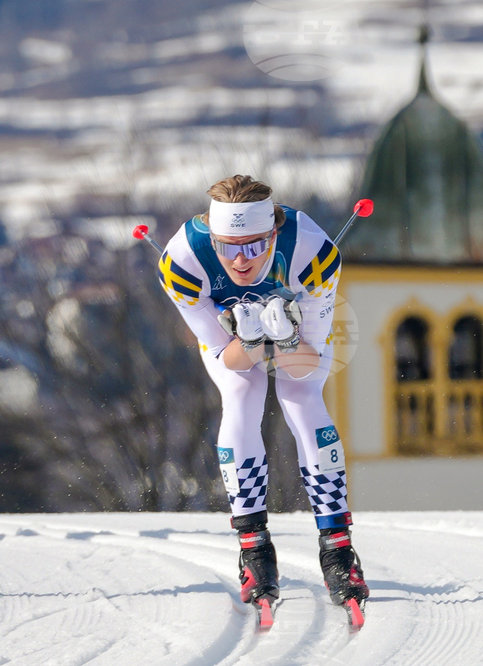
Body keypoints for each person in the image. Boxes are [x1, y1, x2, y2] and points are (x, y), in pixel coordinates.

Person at [157, 175, 369, 619]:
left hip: (298, 338)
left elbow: (305, 365)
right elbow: (229, 359)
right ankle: (254, 550)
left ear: (273, 234)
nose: (239, 262)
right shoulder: (181, 262)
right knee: (241, 392)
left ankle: (338, 552)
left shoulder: (312, 252)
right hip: (236, 341)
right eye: (226, 247)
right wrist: (251, 339)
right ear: (211, 238)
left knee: (302, 397)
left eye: (253, 247)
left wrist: (287, 335)